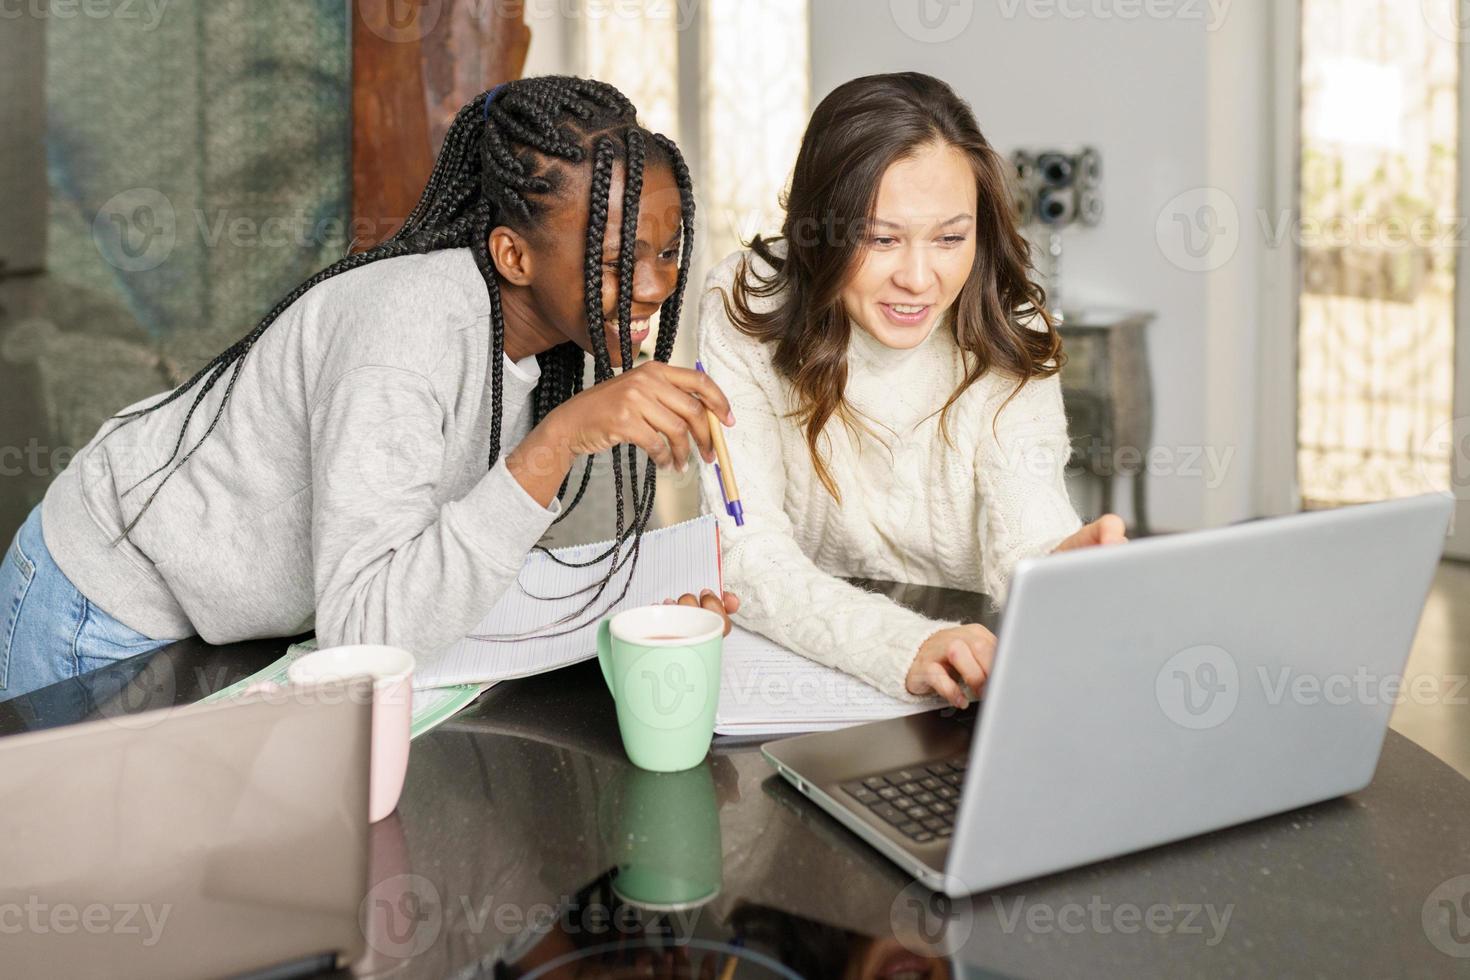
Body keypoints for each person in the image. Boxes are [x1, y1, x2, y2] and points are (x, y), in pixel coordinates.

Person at [0, 76, 737, 703]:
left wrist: (639, 613)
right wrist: (557, 440)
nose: (653, 285)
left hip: (223, 624)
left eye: (668, 251)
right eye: (616, 260)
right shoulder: (407, 334)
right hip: (103, 608)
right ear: (512, 254)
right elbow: (367, 633)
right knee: (74, 867)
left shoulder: (538, 345)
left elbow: (449, 556)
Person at [699, 72, 1126, 711]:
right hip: (820, 670)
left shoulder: (1011, 325)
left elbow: (1026, 532)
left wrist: (1060, 562)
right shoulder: (747, 302)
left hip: (970, 673)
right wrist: (902, 646)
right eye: (881, 238)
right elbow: (745, 551)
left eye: (951, 238)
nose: (920, 279)